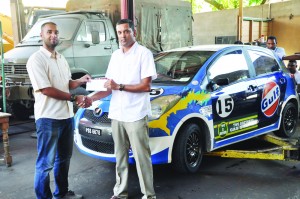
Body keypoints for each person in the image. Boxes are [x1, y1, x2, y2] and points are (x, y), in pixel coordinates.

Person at [89, 19, 157, 199]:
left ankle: (149, 195)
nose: (122, 36)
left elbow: (146, 86)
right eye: (119, 32)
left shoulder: (144, 54)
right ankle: (120, 193)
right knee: (120, 157)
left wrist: (120, 86)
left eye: (126, 31)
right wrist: (90, 98)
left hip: (135, 114)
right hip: (117, 114)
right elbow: (108, 86)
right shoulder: (115, 56)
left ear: (134, 32)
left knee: (142, 158)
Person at [26, 22, 92, 199]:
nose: (53, 35)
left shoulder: (61, 59)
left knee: (63, 159)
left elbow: (67, 84)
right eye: (49, 32)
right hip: (48, 118)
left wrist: (80, 81)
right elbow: (46, 89)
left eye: (56, 32)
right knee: (45, 164)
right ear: (42, 35)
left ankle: (61, 193)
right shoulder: (36, 60)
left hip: (66, 117)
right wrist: (74, 98)